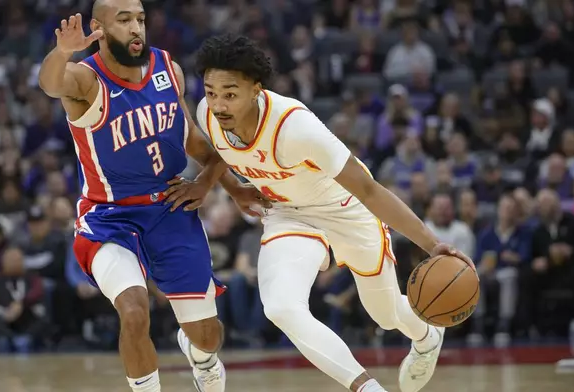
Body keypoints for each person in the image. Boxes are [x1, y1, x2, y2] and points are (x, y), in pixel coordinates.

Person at [181, 34, 475, 392]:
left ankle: (427, 336)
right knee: (281, 307)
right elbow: (220, 154)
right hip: (288, 212)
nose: (218, 104)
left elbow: (369, 190)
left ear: (256, 89)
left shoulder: (295, 128)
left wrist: (432, 245)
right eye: (211, 92)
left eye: (230, 93)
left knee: (384, 315)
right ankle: (367, 388)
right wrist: (230, 188)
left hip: (346, 209)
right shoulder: (208, 116)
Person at [37, 2, 269, 391]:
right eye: (124, 20)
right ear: (98, 27)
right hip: (109, 218)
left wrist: (222, 187)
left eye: (140, 20)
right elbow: (50, 83)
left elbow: (195, 142)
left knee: (208, 336)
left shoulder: (168, 70)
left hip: (169, 209)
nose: (136, 30)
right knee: (133, 311)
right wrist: (63, 52)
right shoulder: (85, 80)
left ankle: (200, 356)